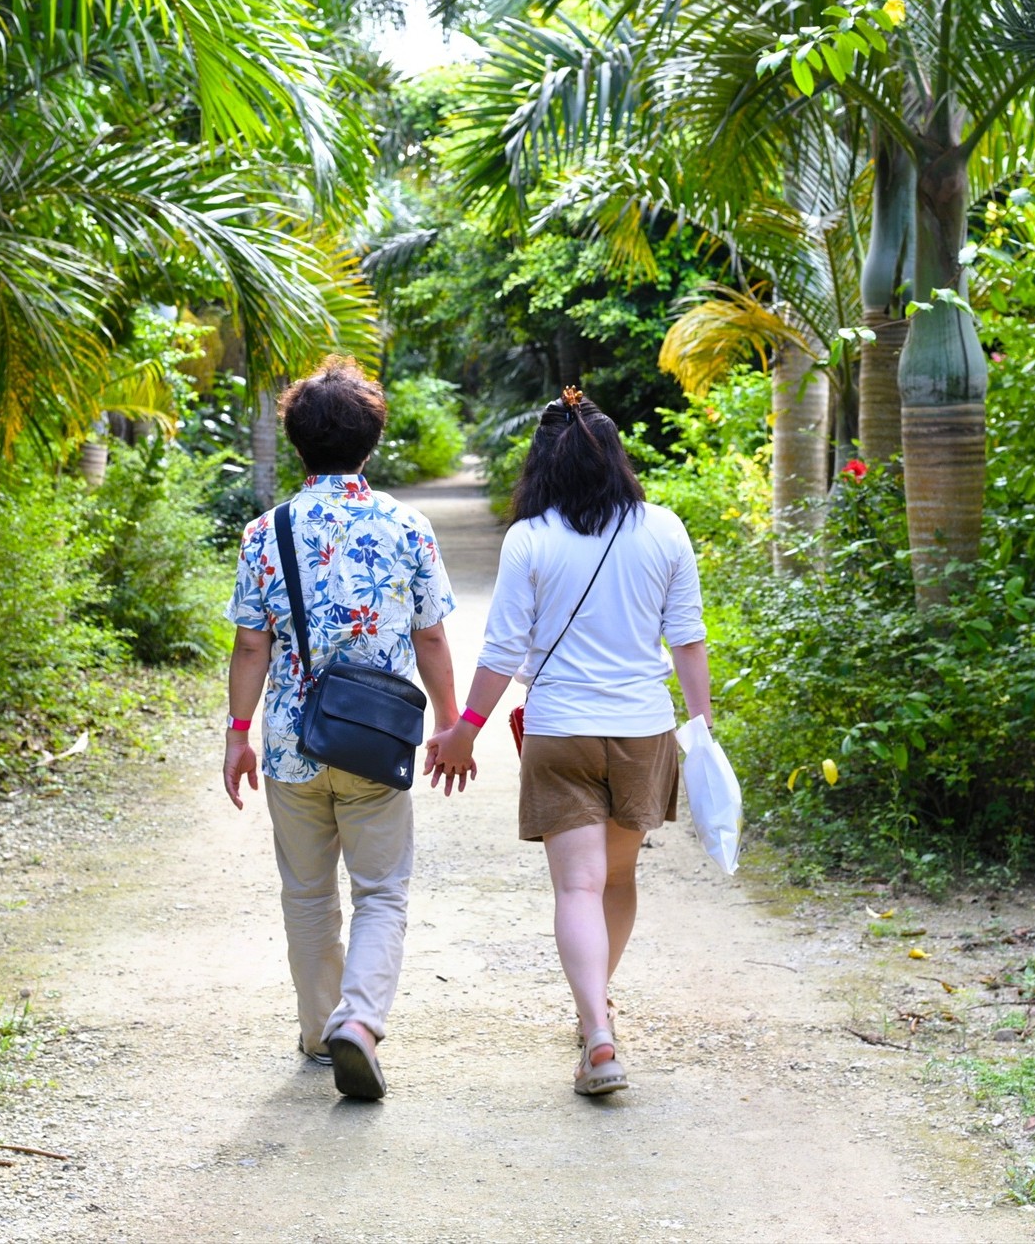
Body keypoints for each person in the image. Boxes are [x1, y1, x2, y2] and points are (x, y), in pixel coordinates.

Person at [428, 387, 710, 1096]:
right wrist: (701, 728)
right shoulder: (664, 528)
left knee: (577, 886)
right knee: (616, 878)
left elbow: (502, 648)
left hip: (561, 730)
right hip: (642, 728)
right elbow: (686, 638)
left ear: (541, 466)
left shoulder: (529, 537)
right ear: (617, 459)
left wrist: (465, 730)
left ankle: (598, 1032)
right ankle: (596, 1015)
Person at [222, 356, 460, 1101]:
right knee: (381, 891)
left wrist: (237, 735)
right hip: (375, 742)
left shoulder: (264, 532)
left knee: (306, 894)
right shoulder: (406, 526)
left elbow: (251, 646)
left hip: (292, 742)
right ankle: (359, 1019)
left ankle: (320, 1031)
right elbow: (430, 636)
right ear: (371, 441)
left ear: (298, 444)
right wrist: (450, 723)